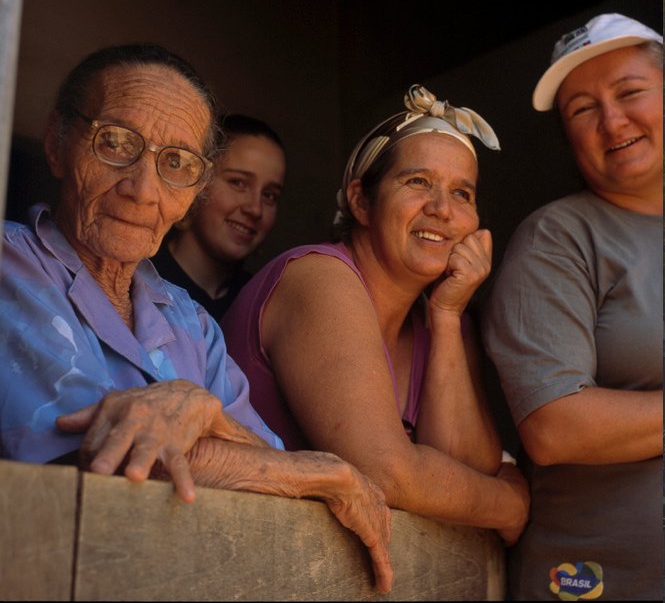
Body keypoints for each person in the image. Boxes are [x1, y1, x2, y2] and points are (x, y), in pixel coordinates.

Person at [0, 43, 393, 594]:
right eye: (114, 143)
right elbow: (114, 453)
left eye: (176, 163)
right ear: (58, 143)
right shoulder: (10, 267)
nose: (143, 189)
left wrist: (201, 413)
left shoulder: (191, 323)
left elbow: (262, 463)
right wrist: (328, 473)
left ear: (193, 191)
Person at [222, 84, 530, 546]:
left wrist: (447, 316)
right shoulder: (319, 277)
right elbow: (385, 472)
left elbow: (465, 472)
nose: (442, 209)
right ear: (362, 201)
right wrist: (511, 503)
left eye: (462, 193)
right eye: (418, 182)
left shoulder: (442, 314)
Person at [481, 13, 663, 601]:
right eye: (582, 109)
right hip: (602, 582)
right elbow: (555, 426)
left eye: (630, 92)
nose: (612, 120)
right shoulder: (559, 237)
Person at [151, 113, 286, 321]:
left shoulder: (264, 304)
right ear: (197, 181)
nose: (255, 209)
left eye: (269, 196)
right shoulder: (138, 280)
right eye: (238, 183)